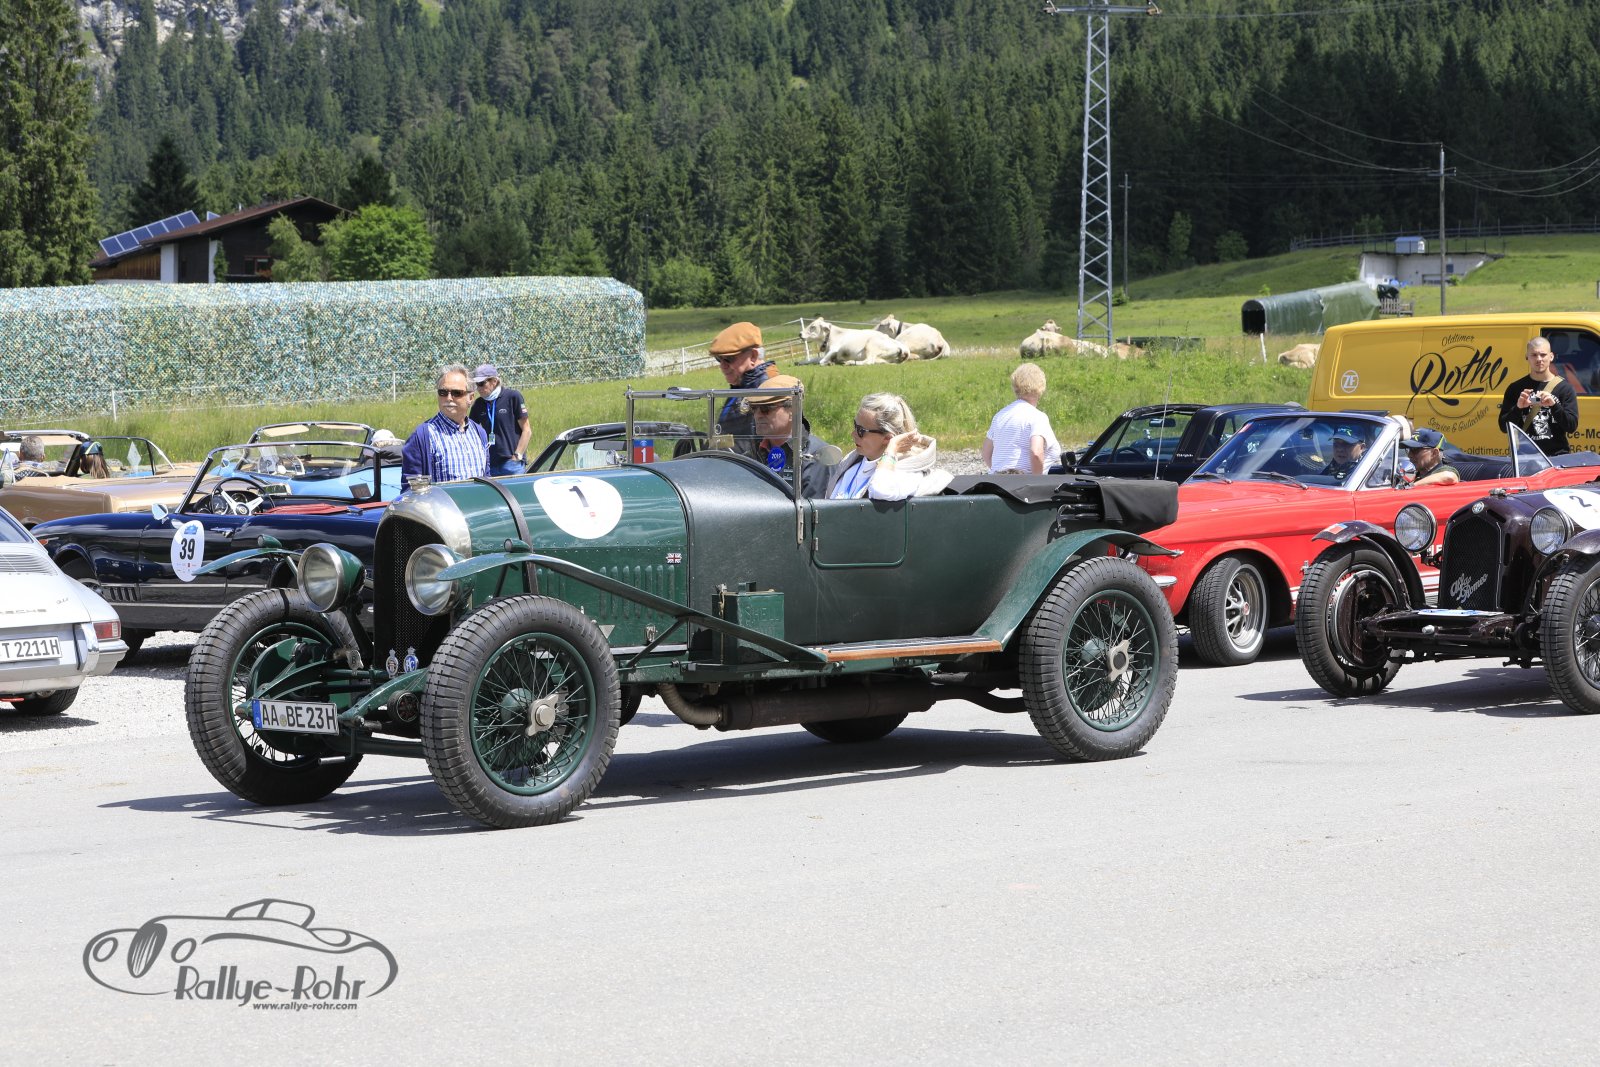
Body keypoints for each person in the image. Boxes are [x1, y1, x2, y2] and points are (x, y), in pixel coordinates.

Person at [744, 374, 832, 497]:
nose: (757, 415)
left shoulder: (816, 457)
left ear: (793, 410)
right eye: (754, 408)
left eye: (765, 408)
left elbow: (812, 507)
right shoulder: (754, 452)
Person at [402, 364, 489, 488]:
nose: (448, 398)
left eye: (456, 393)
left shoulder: (479, 433)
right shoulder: (422, 436)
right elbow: (412, 491)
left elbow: (486, 480)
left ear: (470, 398)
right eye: (443, 392)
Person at [827, 393, 918, 499]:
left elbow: (881, 490)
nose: (853, 434)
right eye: (855, 425)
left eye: (861, 430)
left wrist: (892, 448)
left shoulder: (908, 472)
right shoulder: (852, 464)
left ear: (887, 438)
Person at [1498, 336, 1579, 455]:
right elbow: (1504, 428)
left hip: (1556, 456)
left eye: (1543, 355)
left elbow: (1571, 427)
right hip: (1524, 458)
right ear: (1527, 357)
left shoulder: (1565, 389)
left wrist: (1554, 406)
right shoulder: (1515, 388)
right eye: (1534, 355)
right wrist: (1518, 408)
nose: (1539, 359)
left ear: (1551, 356)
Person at [981, 363, 1061, 474]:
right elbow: (1036, 452)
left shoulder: (1000, 416)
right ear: (1041, 387)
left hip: (997, 481)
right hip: (1024, 482)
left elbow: (986, 453)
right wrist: (1036, 480)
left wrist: (1000, 473)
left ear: (1015, 386)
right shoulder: (1037, 417)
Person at [709, 322, 777, 449]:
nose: (722, 366)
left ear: (753, 356)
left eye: (729, 358)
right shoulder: (742, 385)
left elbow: (764, 444)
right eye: (719, 359)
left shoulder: (767, 388)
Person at [469, 363, 532, 476]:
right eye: (477, 384)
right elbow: (470, 432)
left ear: (494, 381)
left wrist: (517, 455)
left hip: (512, 464)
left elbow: (526, 430)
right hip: (490, 464)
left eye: (482, 383)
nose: (479, 388)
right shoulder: (478, 404)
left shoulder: (512, 397)